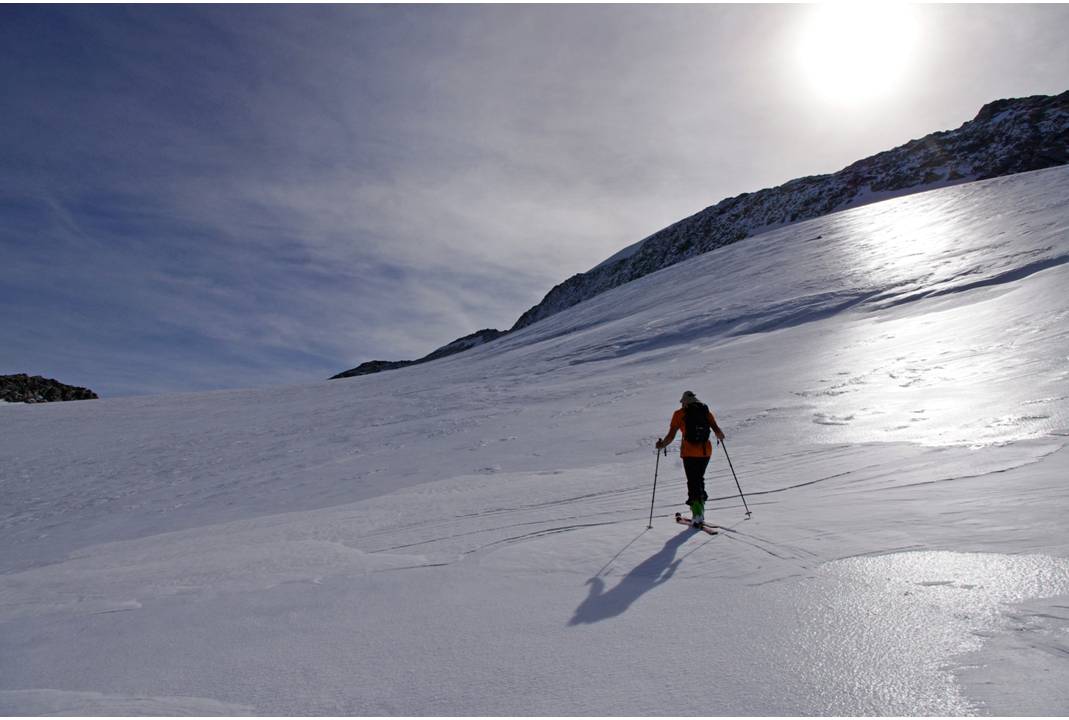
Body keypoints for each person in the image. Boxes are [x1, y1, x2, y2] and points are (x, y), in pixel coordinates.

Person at [655, 390, 725, 526]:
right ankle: (700, 511)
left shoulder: (679, 414)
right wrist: (720, 436)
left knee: (693, 481)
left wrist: (661, 445)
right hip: (706, 452)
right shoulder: (705, 411)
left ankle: (697, 514)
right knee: (699, 479)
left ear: (684, 402)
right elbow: (718, 431)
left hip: (689, 453)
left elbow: (670, 436)